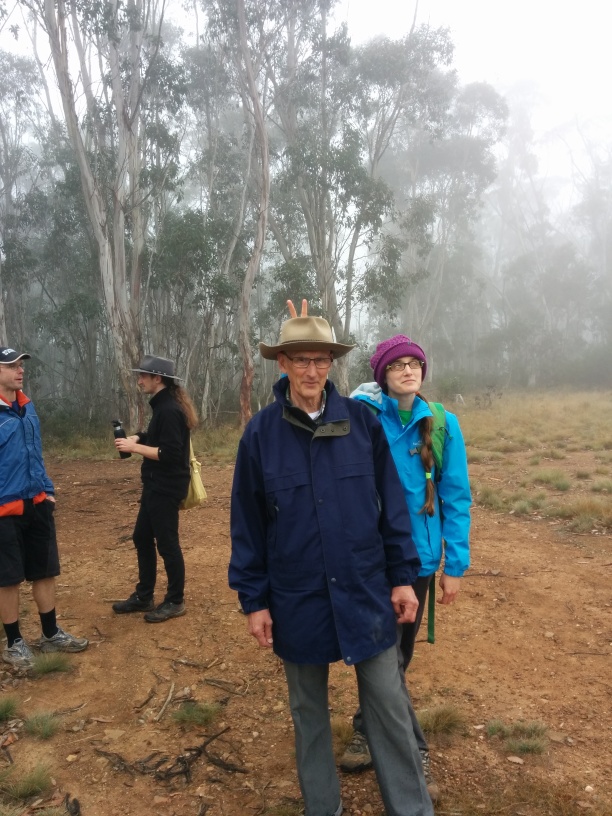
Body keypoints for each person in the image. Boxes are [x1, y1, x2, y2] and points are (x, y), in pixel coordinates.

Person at [229, 310, 434, 816]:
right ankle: (324, 808)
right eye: (300, 360)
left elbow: (393, 509)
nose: (311, 370)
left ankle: (411, 809)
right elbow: (247, 526)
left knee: (388, 705)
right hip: (297, 597)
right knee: (309, 715)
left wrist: (402, 579)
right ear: (282, 364)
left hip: (366, 591)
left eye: (321, 360)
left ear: (331, 364)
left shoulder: (362, 423)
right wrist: (255, 601)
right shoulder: (260, 435)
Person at [343, 333, 471, 800]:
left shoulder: (442, 423)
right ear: (382, 375)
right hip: (369, 559)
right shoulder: (362, 416)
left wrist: (454, 564)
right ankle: (412, 753)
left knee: (398, 656)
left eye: (415, 363)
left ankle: (366, 726)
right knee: (384, 657)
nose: (408, 370)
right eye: (397, 365)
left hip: (419, 562)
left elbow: (456, 495)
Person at [0, 347, 89, 669]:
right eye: (11, 365)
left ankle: (50, 633)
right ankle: (14, 643)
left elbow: (35, 453)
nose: (20, 370)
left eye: (20, 364)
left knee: (45, 571)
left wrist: (47, 491)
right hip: (4, 509)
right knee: (8, 578)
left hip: (37, 502)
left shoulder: (28, 407)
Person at [112, 355, 198, 623]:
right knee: (141, 537)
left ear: (157, 378)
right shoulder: (164, 406)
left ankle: (175, 600)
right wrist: (139, 436)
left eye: (143, 376)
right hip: (155, 485)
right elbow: (160, 436)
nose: (139, 381)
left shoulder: (169, 409)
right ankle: (144, 596)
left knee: (168, 543)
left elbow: (170, 453)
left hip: (166, 486)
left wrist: (134, 448)